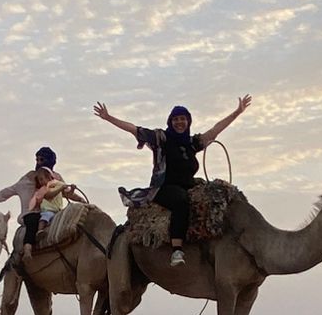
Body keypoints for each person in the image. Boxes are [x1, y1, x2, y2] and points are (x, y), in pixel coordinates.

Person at [93, 95, 252, 266]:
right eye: (175, 119)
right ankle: (177, 249)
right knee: (181, 201)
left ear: (188, 121)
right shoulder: (161, 139)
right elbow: (134, 129)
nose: (179, 122)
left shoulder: (191, 143)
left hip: (188, 185)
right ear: (170, 122)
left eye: (183, 119)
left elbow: (214, 131)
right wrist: (108, 118)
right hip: (164, 187)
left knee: (217, 194)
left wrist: (237, 112)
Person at [0, 147, 63, 255]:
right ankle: (27, 249)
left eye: (41, 160)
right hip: (31, 214)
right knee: (33, 221)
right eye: (37, 160)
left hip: (53, 213)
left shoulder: (56, 178)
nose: (38, 162)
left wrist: (79, 198)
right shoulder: (27, 180)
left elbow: (66, 190)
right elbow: (10, 190)